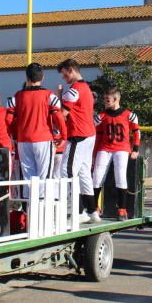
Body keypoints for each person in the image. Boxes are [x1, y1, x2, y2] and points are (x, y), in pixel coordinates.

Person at [6, 63, 67, 187]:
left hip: (23, 141)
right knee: (45, 179)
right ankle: (43, 205)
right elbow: (58, 117)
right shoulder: (50, 95)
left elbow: (8, 120)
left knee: (29, 180)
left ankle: (30, 206)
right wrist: (64, 136)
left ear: (26, 77)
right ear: (42, 78)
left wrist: (14, 136)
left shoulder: (16, 97)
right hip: (44, 140)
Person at [57, 59, 99, 222]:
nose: (64, 78)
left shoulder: (74, 90)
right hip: (88, 135)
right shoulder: (86, 87)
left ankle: (76, 212)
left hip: (79, 136)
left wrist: (59, 96)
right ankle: (91, 211)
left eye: (64, 74)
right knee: (83, 174)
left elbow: (62, 114)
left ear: (71, 69)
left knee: (67, 172)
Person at [92, 85, 140, 220]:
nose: (105, 102)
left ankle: (122, 209)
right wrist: (94, 154)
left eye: (107, 100)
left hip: (122, 148)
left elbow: (136, 132)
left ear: (116, 99)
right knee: (97, 177)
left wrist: (135, 148)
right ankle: (94, 207)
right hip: (104, 147)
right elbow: (96, 136)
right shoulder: (101, 116)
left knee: (120, 176)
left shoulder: (129, 115)